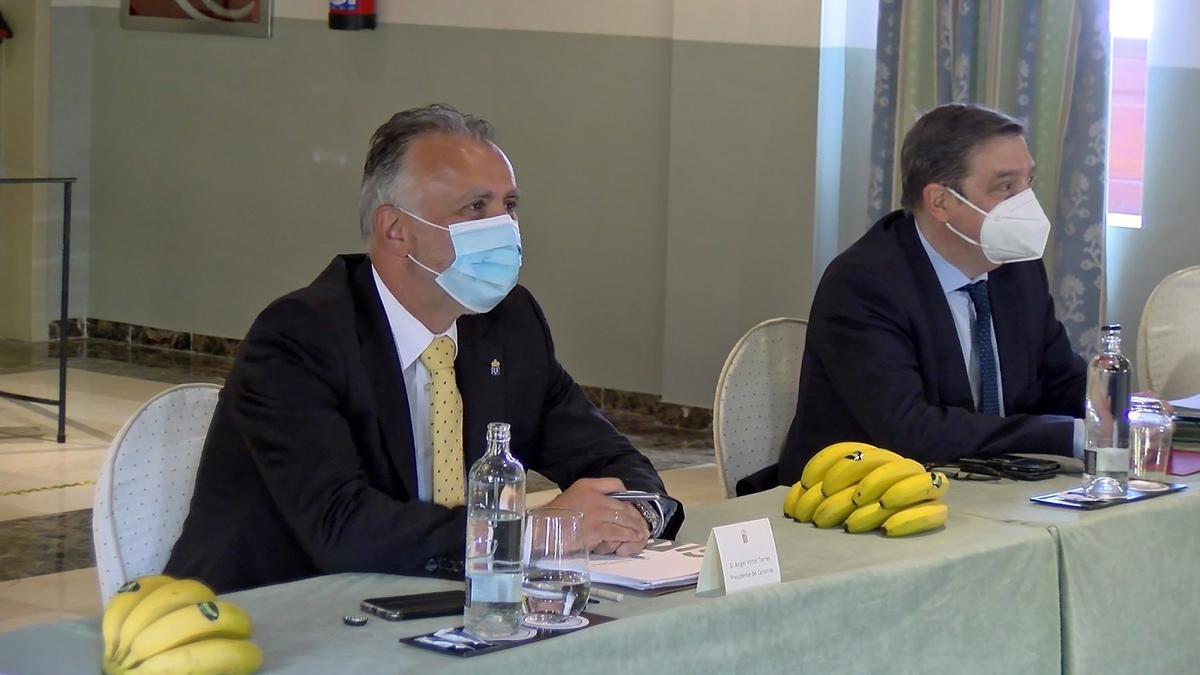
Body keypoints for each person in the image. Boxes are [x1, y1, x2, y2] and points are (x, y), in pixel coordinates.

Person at [166, 105, 682, 592]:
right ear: (396, 230)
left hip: (436, 610)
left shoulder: (509, 322)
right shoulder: (299, 338)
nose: (504, 228)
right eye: (476, 207)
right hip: (273, 616)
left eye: (509, 205)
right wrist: (531, 533)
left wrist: (634, 512)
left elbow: (610, 458)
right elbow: (343, 527)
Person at [778, 103, 1087, 483]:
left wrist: (1123, 413)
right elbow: (910, 431)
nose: (1027, 202)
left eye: (1029, 182)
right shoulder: (864, 284)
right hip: (860, 499)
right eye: (1006, 187)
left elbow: (1061, 381)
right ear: (940, 201)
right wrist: (1066, 435)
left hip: (988, 485)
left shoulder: (1018, 270)